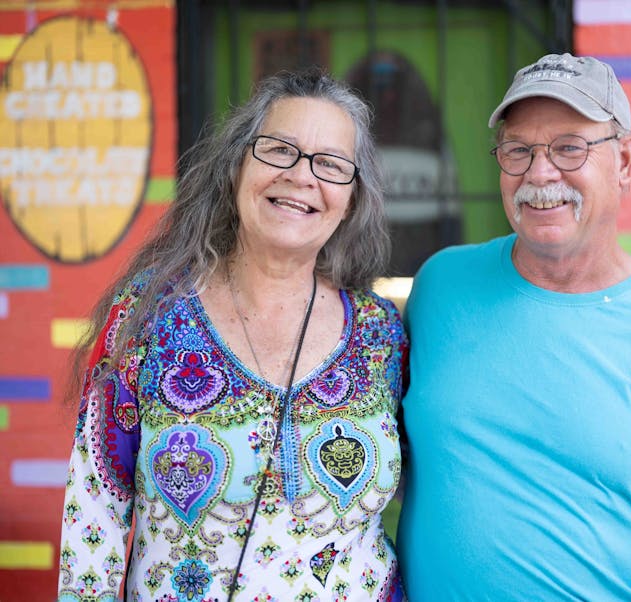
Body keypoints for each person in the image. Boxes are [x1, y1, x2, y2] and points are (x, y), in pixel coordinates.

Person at [396, 53, 631, 601]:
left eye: (569, 147)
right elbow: (384, 453)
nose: (539, 173)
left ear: (625, 160)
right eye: (518, 150)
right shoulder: (440, 287)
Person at [57, 69, 407, 601]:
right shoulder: (148, 316)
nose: (301, 176)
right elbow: (94, 508)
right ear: (237, 167)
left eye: (331, 164)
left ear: (353, 199)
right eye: (279, 149)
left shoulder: (381, 332)